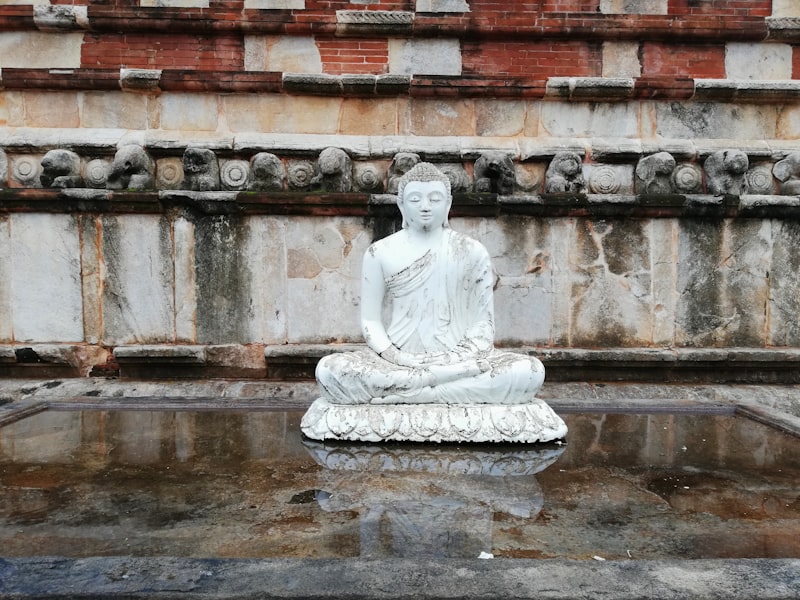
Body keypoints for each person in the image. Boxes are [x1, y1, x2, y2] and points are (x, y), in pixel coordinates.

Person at [315, 162, 545, 405]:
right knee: (330, 371)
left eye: (435, 199)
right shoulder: (379, 252)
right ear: (401, 205)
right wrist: (396, 357)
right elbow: (370, 320)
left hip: (459, 361)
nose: (425, 207)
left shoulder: (471, 251)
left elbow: (483, 323)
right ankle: (440, 390)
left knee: (529, 371)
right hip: (398, 361)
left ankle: (414, 393)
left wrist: (456, 358)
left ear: (448, 204)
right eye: (415, 199)